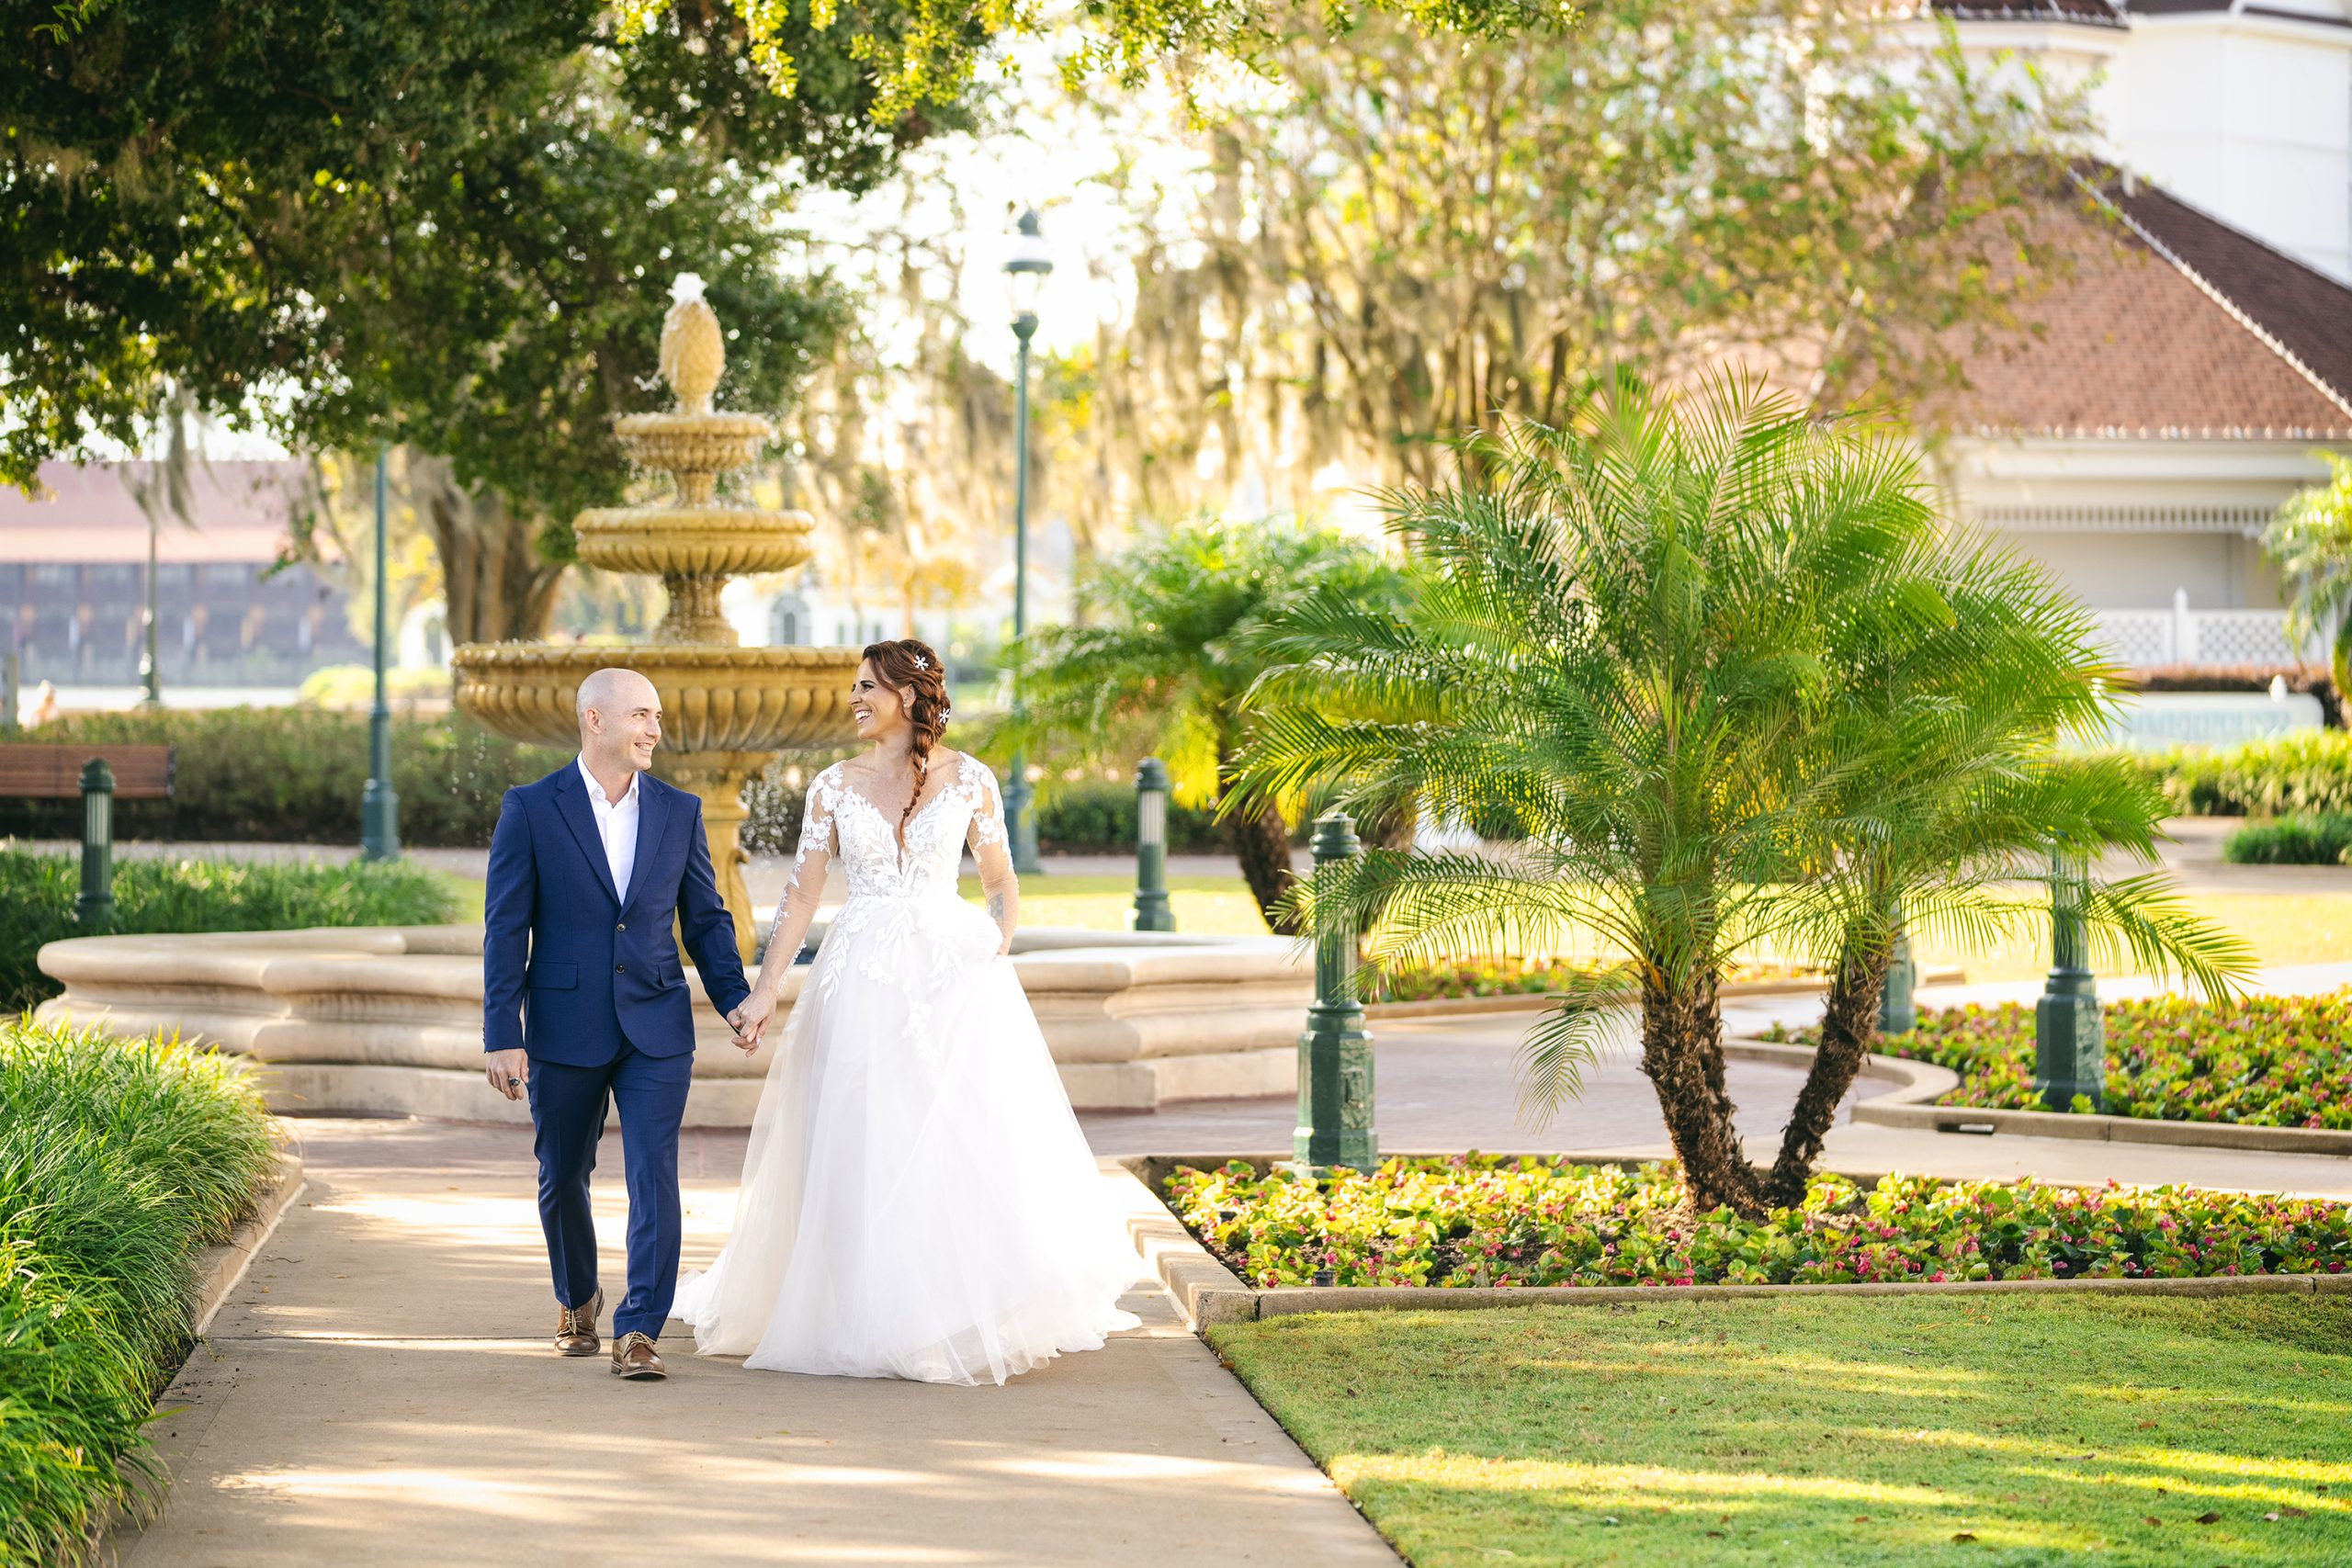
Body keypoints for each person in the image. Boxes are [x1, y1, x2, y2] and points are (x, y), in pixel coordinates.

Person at [674, 638, 1141, 1384]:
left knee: (952, 1137)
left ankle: (946, 1313)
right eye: (854, 686)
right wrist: (763, 992)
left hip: (952, 972)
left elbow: (1001, 881)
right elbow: (800, 897)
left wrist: (994, 947)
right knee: (863, 1135)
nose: (854, 698)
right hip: (857, 973)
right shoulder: (832, 784)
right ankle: (863, 1307)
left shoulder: (971, 778)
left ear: (908, 693)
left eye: (867, 687)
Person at [481, 667, 752, 1382]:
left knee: (653, 1173)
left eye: (657, 716)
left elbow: (706, 919)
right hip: (564, 1023)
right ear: (594, 720)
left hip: (657, 1025)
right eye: (641, 714)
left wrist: (735, 999)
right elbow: (505, 927)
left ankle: (638, 1328)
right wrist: (501, 1031)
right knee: (561, 1170)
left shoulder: (680, 810)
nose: (655, 729)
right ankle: (577, 1296)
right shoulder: (532, 808)